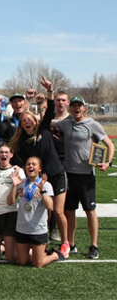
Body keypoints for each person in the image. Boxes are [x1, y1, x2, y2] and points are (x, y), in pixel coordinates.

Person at [8, 77, 69, 258]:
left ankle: (65, 243)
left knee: (57, 211)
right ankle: (45, 240)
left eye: (29, 118)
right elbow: (21, 161)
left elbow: (50, 109)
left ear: (34, 120)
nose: (27, 121)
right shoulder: (22, 142)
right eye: (23, 120)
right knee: (43, 210)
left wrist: (50, 91)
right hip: (40, 180)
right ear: (21, 124)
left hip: (56, 174)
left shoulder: (43, 130)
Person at [53, 96, 115, 259]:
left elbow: (109, 144)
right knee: (69, 211)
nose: (76, 108)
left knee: (90, 211)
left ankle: (94, 245)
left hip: (87, 175)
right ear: (70, 108)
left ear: (84, 108)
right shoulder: (66, 123)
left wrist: (107, 162)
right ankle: (71, 244)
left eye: (79, 106)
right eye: (73, 106)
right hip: (69, 174)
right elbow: (47, 122)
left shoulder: (93, 125)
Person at [7, 157, 64, 267]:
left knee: (38, 264)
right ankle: (38, 254)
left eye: (34, 164)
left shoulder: (46, 185)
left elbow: (50, 206)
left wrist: (42, 191)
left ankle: (55, 255)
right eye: (28, 164)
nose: (30, 166)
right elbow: (10, 202)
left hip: (38, 230)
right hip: (22, 228)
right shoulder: (20, 183)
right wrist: (14, 185)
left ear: (40, 168)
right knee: (23, 262)